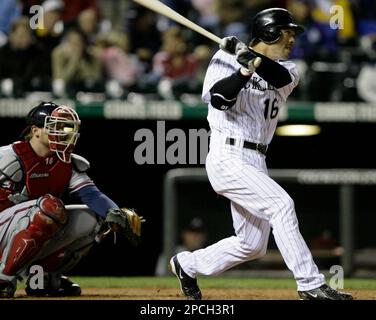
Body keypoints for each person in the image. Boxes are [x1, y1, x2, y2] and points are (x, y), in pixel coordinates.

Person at [169, 8, 353, 300]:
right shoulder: (224, 58)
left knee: (252, 244)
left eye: (293, 33)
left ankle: (187, 264)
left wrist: (249, 57)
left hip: (256, 158)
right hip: (227, 154)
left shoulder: (289, 69)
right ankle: (310, 283)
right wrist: (243, 68)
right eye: (287, 32)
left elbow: (277, 77)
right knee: (281, 204)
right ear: (269, 32)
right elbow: (219, 100)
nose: (292, 39)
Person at [0, 101, 144, 298]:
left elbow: (92, 195)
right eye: (55, 126)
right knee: (50, 208)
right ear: (35, 131)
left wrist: (115, 213)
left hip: (24, 229)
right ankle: (3, 277)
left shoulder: (65, 161)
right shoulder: (8, 156)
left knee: (94, 220)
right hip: (2, 229)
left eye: (65, 127)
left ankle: (44, 276)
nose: (63, 132)